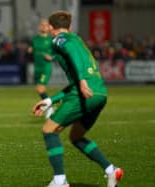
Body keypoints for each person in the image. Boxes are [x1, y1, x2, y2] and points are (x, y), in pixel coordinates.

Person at [32, 11, 123, 187]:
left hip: (84, 93)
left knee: (49, 130)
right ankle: (111, 170)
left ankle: (60, 180)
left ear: (51, 28)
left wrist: (81, 80)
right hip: (99, 94)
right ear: (70, 27)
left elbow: (72, 55)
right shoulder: (78, 40)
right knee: (76, 136)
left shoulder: (59, 39)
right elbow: (74, 82)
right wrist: (51, 100)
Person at [28, 19, 55, 118]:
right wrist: (30, 50)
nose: (43, 27)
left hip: (45, 67)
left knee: (40, 89)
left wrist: (51, 57)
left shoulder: (51, 40)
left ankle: (50, 106)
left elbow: (55, 52)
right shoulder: (35, 39)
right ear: (39, 27)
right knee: (39, 89)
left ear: (49, 28)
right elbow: (32, 48)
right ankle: (49, 106)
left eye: (46, 25)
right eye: (42, 25)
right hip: (37, 67)